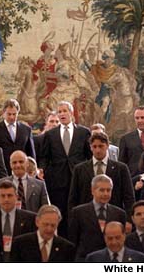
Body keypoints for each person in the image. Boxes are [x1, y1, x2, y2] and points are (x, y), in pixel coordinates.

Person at [41, 101, 92, 237]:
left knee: (78, 214)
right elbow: (45, 158)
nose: (62, 114)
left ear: (71, 113)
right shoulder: (50, 135)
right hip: (57, 182)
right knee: (60, 215)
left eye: (65, 111)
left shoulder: (84, 132)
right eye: (60, 111)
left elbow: (89, 157)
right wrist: (45, 172)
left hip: (79, 180)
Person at [68, 132, 134, 230]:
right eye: (94, 146)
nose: (97, 150)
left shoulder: (121, 168)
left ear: (107, 146)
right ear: (90, 147)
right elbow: (73, 197)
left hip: (114, 217)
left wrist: (129, 220)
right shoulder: (80, 169)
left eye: (101, 146)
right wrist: (72, 220)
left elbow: (129, 196)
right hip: (86, 218)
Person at [69, 174, 126, 261]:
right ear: (92, 191)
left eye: (108, 190)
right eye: (102, 190)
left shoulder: (119, 213)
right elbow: (73, 241)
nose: (106, 194)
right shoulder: (78, 212)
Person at [0, 99, 36, 175]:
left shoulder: (26, 130)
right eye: (9, 114)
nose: (12, 117)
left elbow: (31, 153)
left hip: (22, 172)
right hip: (2, 172)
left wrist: (32, 171)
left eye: (14, 114)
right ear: (3, 113)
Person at [10, 204, 75, 262]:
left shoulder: (67, 248)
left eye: (53, 225)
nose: (49, 229)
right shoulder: (20, 244)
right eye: (46, 224)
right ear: (37, 222)